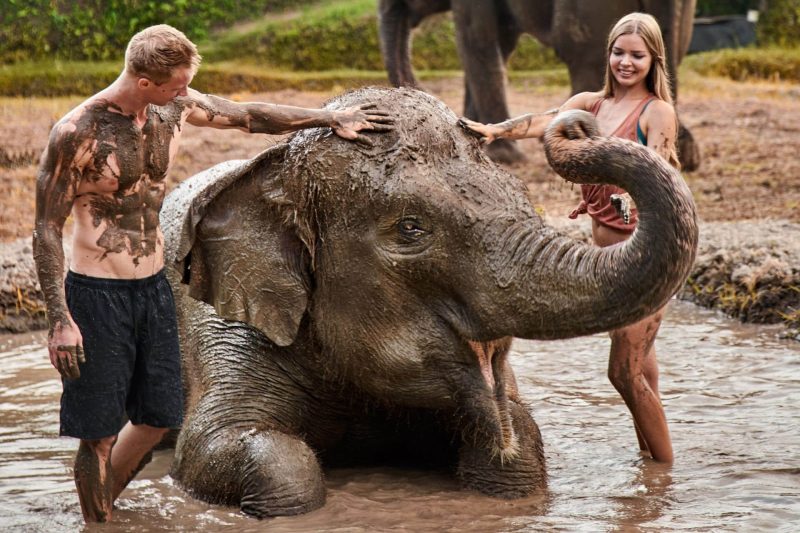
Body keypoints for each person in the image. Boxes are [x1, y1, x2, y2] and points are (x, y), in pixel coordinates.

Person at [32, 24, 393, 523]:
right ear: (143, 81)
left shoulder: (172, 107)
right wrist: (60, 319)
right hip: (98, 292)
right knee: (98, 432)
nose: (186, 93)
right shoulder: (78, 134)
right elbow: (46, 229)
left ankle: (101, 513)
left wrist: (329, 116)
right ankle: (99, 521)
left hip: (154, 286)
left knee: (159, 419)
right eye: (176, 84)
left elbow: (248, 116)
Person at [460, 12, 679, 463]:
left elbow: (655, 171)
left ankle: (663, 478)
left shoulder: (657, 112)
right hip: (609, 253)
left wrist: (631, 201)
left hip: (650, 257)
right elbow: (545, 122)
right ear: (608, 54)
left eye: (637, 55)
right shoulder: (590, 105)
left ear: (654, 59)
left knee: (623, 371)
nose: (625, 62)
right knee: (643, 371)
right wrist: (494, 130)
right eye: (619, 52)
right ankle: (650, 467)